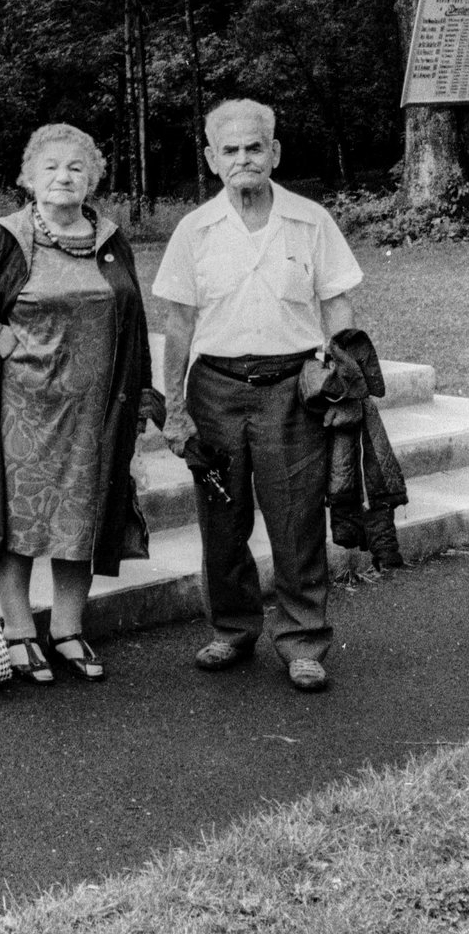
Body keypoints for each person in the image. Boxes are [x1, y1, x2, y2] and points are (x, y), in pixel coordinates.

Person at [0, 125, 162, 684]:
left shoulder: (109, 239)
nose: (63, 177)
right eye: (50, 167)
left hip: (94, 413)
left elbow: (135, 321)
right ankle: (18, 630)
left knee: (83, 515)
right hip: (18, 412)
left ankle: (69, 629)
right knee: (18, 519)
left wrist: (143, 399)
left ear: (92, 178)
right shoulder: (2, 239)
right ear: (28, 177)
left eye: (76, 167)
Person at [150, 98, 365, 692]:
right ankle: (233, 628)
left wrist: (342, 374)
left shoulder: (311, 220)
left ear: (274, 152)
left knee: (295, 519)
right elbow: (178, 325)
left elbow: (337, 304)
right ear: (212, 159)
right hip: (215, 390)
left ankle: (302, 640)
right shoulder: (195, 229)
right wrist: (175, 409)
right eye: (230, 149)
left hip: (292, 391)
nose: (243, 158)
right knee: (223, 521)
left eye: (254, 147)